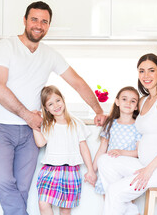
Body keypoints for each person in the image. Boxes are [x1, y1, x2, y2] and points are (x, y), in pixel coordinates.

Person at [0, 1, 106, 215]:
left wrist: (98, 110)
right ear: (24, 21)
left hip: (32, 131)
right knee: (2, 181)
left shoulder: (49, 54)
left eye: (44, 21)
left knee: (23, 188)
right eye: (34, 19)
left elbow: (77, 82)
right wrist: (27, 116)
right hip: (2, 126)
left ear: (48, 26)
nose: (38, 25)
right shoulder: (6, 46)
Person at [97, 53, 157, 215]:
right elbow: (125, 110)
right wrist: (105, 115)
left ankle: (124, 204)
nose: (146, 75)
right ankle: (131, 210)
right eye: (141, 71)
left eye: (151, 70)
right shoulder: (143, 100)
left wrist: (149, 169)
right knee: (105, 161)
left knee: (115, 192)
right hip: (145, 165)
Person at [33, 85, 97, 215]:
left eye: (58, 100)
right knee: (43, 203)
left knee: (65, 209)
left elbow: (83, 147)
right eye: (50, 104)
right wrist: (34, 124)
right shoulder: (46, 124)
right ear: (46, 108)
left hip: (70, 171)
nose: (56, 105)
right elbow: (40, 143)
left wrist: (90, 170)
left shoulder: (76, 123)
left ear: (63, 100)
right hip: (50, 170)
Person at [92, 86, 141, 195]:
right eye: (124, 99)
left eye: (133, 101)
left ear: (136, 106)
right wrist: (92, 171)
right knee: (109, 200)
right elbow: (101, 150)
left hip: (126, 172)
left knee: (125, 203)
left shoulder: (138, 126)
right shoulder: (110, 124)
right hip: (109, 171)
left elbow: (139, 152)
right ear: (117, 102)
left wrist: (121, 152)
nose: (128, 102)